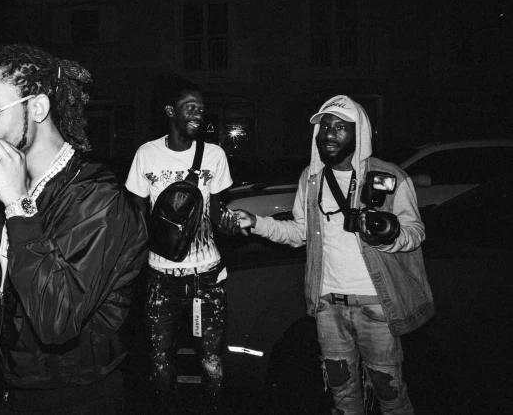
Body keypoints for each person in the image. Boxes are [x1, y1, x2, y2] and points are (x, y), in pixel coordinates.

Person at [0, 44, 148, 415]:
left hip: (76, 398)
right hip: (8, 393)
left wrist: (19, 209)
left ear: (36, 108)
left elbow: (58, 321)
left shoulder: (99, 199)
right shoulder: (3, 189)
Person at [232, 95, 433, 415]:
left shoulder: (390, 177)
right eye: (325, 126)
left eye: (340, 127)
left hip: (376, 304)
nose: (329, 133)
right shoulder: (310, 180)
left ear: (359, 133)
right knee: (341, 391)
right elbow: (298, 233)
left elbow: (415, 233)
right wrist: (255, 222)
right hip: (329, 305)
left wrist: (387, 234)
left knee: (389, 389)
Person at [125, 76, 236, 411]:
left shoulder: (214, 155)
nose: (198, 113)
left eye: (201, 109)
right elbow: (136, 217)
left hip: (207, 274)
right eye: (191, 107)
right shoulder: (147, 154)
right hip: (161, 275)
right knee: (159, 358)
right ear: (171, 111)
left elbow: (217, 212)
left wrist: (231, 224)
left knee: (211, 359)